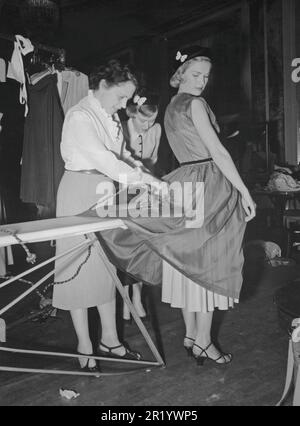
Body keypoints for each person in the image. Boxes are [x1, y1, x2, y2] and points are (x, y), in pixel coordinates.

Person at [52, 60, 162, 372]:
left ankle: (110, 339)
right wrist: (142, 180)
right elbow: (103, 159)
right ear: (102, 86)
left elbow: (122, 155)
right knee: (77, 267)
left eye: (127, 99)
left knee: (106, 267)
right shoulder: (79, 115)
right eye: (120, 97)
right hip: (79, 190)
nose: (123, 105)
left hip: (105, 193)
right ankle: (84, 344)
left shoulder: (109, 115)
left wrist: (149, 178)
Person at [161, 46, 256, 365]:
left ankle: (191, 334)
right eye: (195, 74)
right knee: (209, 263)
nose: (202, 81)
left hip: (183, 182)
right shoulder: (197, 103)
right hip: (207, 183)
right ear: (181, 74)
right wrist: (244, 190)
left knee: (188, 263)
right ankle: (203, 341)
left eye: (206, 76)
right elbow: (218, 152)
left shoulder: (172, 105)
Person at [121, 91, 161, 321]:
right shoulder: (122, 127)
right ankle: (126, 299)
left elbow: (153, 160)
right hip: (124, 188)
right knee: (125, 246)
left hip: (146, 187)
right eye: (144, 120)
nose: (149, 125)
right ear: (133, 113)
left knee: (142, 245)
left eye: (153, 119)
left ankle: (138, 295)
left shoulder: (155, 130)